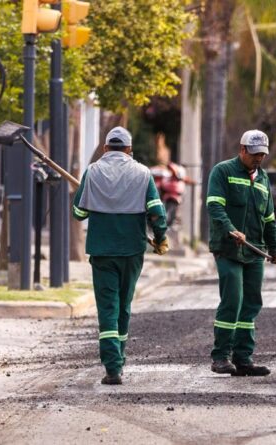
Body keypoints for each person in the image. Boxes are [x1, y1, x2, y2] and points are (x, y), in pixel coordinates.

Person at [72, 126, 169, 385]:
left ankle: (112, 367)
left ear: (105, 148)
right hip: (132, 251)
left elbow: (78, 214)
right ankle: (120, 357)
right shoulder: (142, 173)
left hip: (102, 252)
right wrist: (160, 239)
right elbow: (156, 212)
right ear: (129, 150)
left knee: (107, 308)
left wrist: (95, 202)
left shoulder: (92, 172)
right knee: (124, 305)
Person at [206, 129, 276, 376]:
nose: (258, 158)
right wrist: (230, 230)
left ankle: (243, 358)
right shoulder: (223, 171)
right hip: (228, 249)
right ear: (242, 150)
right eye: (254, 153)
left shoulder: (263, 179)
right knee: (232, 300)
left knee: (251, 303)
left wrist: (274, 247)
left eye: (262, 154)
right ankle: (220, 357)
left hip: (255, 251)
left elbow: (269, 217)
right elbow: (215, 206)